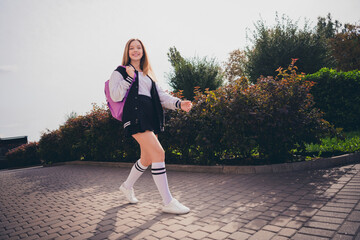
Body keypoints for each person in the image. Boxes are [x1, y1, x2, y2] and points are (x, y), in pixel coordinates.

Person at [108, 38, 192, 214]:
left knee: (147, 159)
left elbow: (162, 96)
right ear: (127, 52)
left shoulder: (148, 75)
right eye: (132, 48)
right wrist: (129, 78)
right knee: (159, 153)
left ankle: (127, 186)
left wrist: (179, 103)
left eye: (139, 47)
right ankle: (167, 201)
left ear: (143, 51)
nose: (136, 50)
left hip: (150, 118)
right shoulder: (121, 72)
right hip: (135, 117)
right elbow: (115, 95)